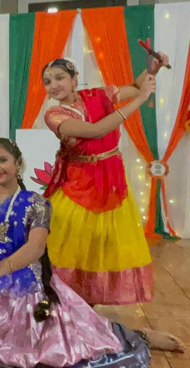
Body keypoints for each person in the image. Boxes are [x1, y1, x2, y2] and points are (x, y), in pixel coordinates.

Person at [0, 138, 184, 368]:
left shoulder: (36, 203)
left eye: (2, 160)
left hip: (22, 284)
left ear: (18, 163)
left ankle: (141, 336)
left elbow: (35, 249)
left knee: (73, 339)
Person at [42, 55, 168, 305]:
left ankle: (91, 304)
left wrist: (153, 68)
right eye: (47, 81)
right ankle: (67, 303)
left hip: (111, 179)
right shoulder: (54, 114)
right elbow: (96, 130)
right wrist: (141, 99)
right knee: (74, 243)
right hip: (78, 184)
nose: (53, 85)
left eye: (59, 78)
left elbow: (133, 87)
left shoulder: (97, 95)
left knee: (102, 244)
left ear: (74, 79)